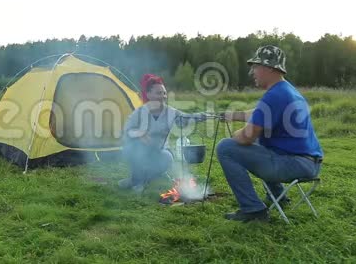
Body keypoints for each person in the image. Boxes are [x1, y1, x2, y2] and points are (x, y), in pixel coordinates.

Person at [217, 45, 323, 222]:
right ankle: (279, 196)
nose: (252, 72)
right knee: (262, 143)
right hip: (310, 163)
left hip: (295, 164)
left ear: (269, 68)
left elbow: (246, 137)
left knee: (226, 148)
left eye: (255, 67)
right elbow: (259, 112)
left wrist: (235, 134)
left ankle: (253, 209)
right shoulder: (286, 91)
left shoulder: (274, 96)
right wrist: (231, 115)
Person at [118, 74, 208, 193]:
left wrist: (203, 115)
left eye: (164, 93)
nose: (163, 96)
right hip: (140, 148)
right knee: (132, 149)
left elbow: (187, 117)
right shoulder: (140, 112)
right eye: (158, 93)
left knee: (168, 157)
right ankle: (137, 183)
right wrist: (140, 134)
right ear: (149, 95)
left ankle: (136, 180)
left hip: (159, 150)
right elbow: (127, 131)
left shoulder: (170, 112)